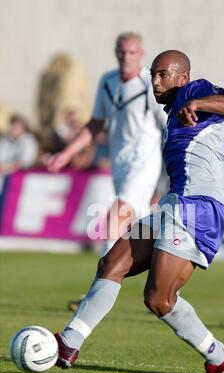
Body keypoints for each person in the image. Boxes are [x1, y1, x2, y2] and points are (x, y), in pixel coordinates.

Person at [52, 50, 224, 373]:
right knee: (111, 264)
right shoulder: (175, 116)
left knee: (158, 299)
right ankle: (68, 343)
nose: (155, 81)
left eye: (164, 74)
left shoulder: (194, 94)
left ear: (183, 77)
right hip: (174, 204)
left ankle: (219, 355)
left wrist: (200, 104)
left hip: (198, 209)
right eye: (153, 75)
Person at [48, 32, 166, 254]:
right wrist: (66, 153)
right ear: (116, 53)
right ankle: (168, 287)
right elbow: (95, 124)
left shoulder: (149, 85)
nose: (126, 57)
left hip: (144, 165)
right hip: (119, 164)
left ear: (140, 55)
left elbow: (167, 126)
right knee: (142, 235)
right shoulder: (107, 82)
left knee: (114, 220)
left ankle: (99, 286)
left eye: (132, 52)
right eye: (122, 52)